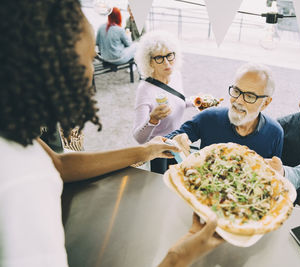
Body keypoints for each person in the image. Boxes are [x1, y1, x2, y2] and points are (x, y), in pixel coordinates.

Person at [0, 1, 221, 266]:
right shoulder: (24, 181)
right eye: (88, 61)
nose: (93, 72)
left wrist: (146, 150)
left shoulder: (12, 128)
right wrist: (177, 258)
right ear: (49, 70)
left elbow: (59, 164)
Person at [167, 62, 283, 160]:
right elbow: (168, 140)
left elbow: (272, 176)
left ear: (266, 103)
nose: (238, 101)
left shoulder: (275, 133)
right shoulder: (209, 118)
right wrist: (175, 141)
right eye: (236, 91)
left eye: (249, 96)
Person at [132, 30, 194, 173]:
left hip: (177, 140)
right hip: (158, 148)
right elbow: (139, 138)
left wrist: (195, 102)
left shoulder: (175, 75)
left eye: (169, 56)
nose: (167, 63)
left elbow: (178, 102)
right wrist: (153, 119)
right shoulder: (145, 90)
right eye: (159, 58)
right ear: (149, 62)